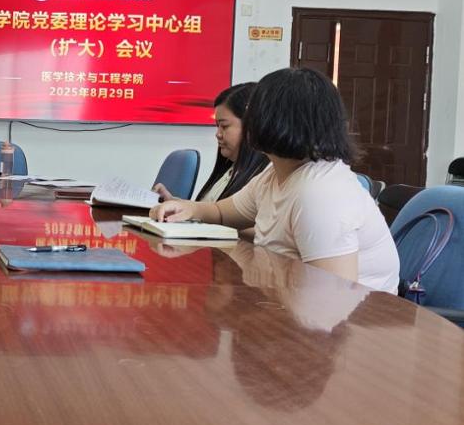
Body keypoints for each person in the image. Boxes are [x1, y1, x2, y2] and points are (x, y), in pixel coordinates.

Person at [151, 67, 399, 293]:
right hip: (296, 309)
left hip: (355, 324)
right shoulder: (274, 174)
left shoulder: (320, 194)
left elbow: (332, 301)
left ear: (275, 120)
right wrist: (189, 208)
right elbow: (222, 213)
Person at [154, 82, 268, 202]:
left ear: (251, 125)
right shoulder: (232, 170)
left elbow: (217, 212)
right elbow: (208, 209)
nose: (218, 134)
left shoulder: (262, 179)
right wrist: (173, 201)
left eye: (224, 126)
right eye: (217, 126)